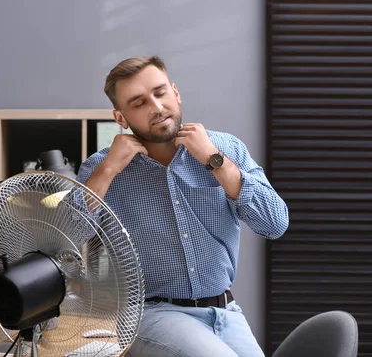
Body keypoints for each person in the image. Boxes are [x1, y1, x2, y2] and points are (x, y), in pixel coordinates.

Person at [75, 56, 289, 357]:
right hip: (151, 315)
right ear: (121, 118)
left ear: (175, 93)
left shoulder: (225, 150)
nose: (156, 107)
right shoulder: (101, 168)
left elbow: (274, 224)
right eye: (138, 103)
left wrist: (215, 162)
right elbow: (65, 239)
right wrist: (108, 171)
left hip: (226, 311)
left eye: (160, 93)